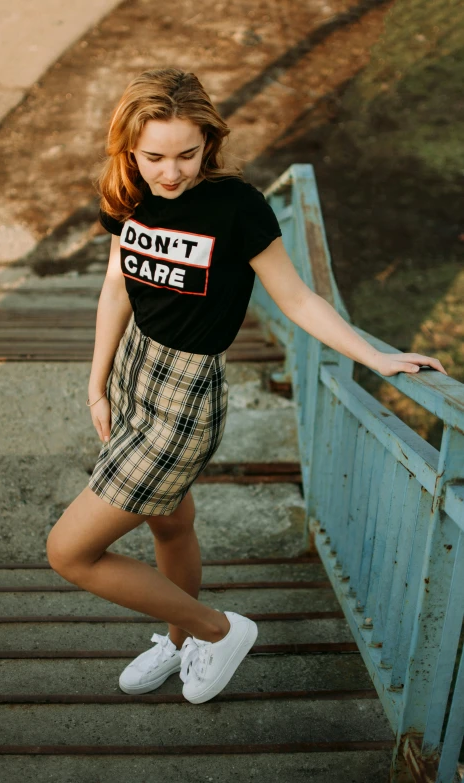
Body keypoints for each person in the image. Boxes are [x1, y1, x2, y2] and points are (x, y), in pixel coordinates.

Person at [46, 67, 447, 705]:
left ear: (209, 141)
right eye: (153, 156)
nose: (170, 172)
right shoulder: (128, 194)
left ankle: (220, 630)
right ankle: (180, 643)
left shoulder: (237, 207)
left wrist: (375, 356)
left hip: (183, 400)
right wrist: (97, 383)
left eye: (186, 153)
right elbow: (118, 285)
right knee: (169, 529)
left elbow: (296, 297)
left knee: (68, 551)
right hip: (133, 375)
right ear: (128, 148)